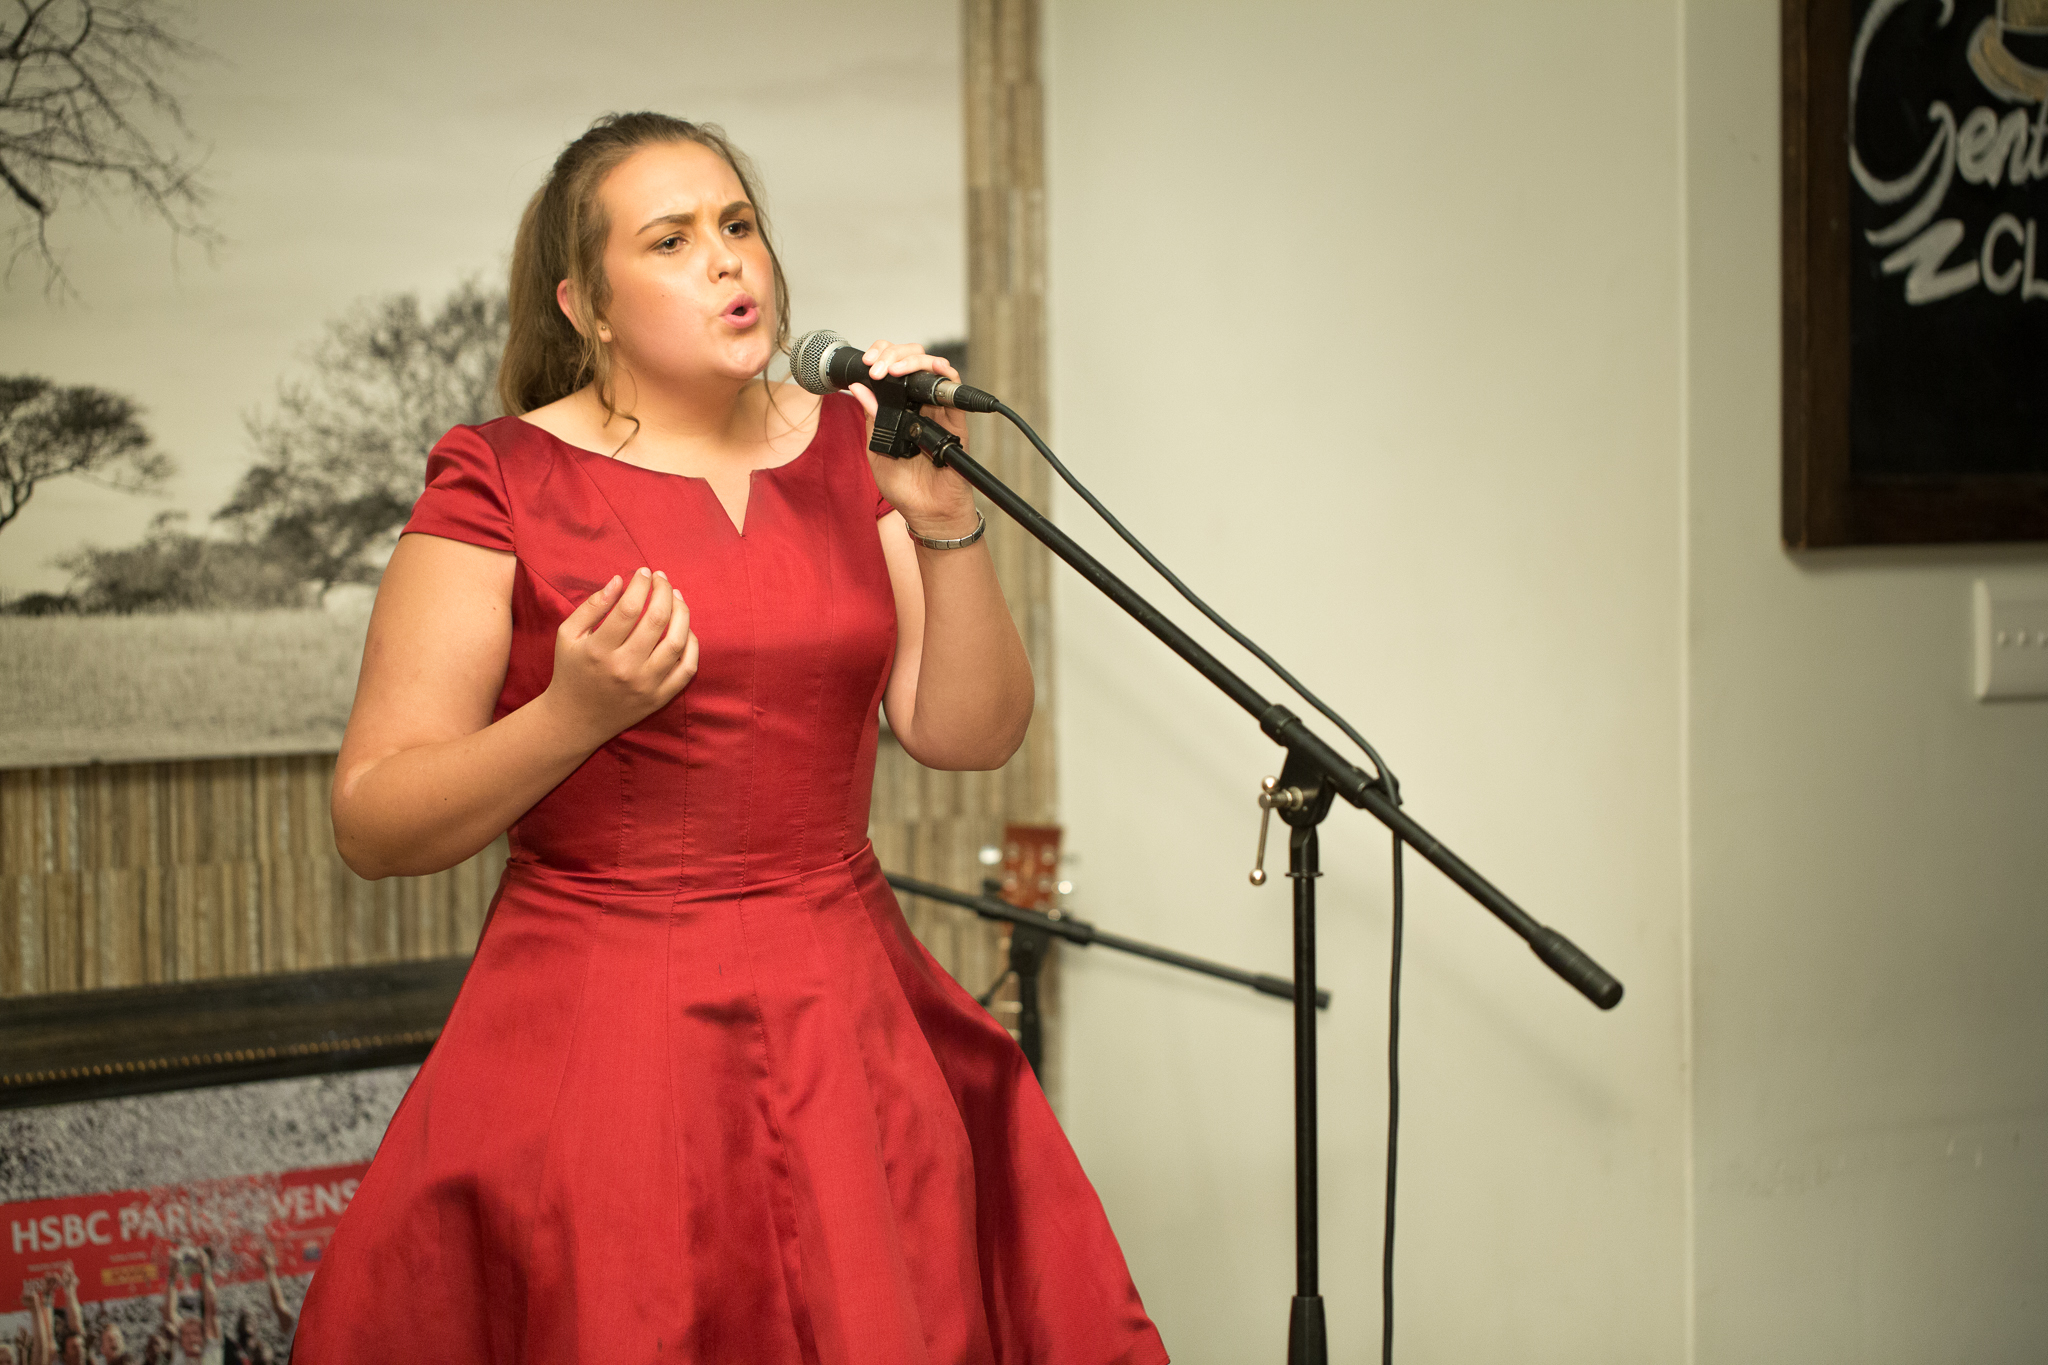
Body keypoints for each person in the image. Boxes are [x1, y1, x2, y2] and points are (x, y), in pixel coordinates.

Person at [285, 111, 1167, 1364]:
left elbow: (969, 734)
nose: (726, 259)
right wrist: (570, 717)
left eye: (738, 224)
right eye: (671, 239)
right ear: (586, 304)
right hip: (603, 1029)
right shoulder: (498, 477)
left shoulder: (855, 447)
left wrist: (942, 519)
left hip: (846, 1013)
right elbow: (373, 822)